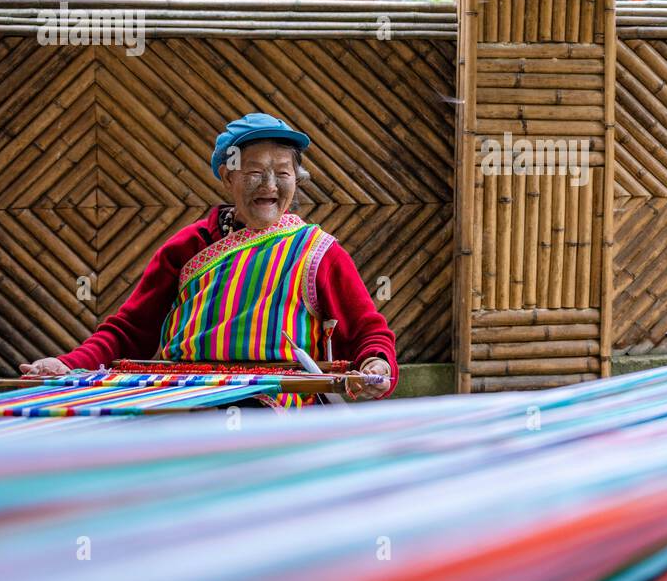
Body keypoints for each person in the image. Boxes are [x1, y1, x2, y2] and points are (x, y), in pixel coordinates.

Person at [20, 113, 397, 404]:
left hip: (281, 410)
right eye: (254, 172)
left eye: (283, 173)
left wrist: (376, 365)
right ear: (226, 177)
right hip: (189, 401)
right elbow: (130, 330)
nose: (269, 185)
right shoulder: (189, 247)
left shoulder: (317, 252)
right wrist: (68, 364)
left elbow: (369, 333)